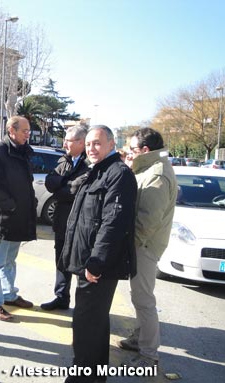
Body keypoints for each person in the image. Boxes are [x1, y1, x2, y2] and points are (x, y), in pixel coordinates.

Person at [60, 125, 137, 383]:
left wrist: (96, 262)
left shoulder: (119, 174)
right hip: (86, 261)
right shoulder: (97, 171)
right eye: (89, 143)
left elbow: (113, 223)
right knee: (95, 322)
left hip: (97, 266)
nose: (92, 148)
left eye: (97, 143)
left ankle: (81, 375)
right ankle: (94, 374)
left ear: (112, 143)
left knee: (85, 323)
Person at [117, 127, 177, 368]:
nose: (129, 153)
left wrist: (130, 246)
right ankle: (140, 338)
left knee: (143, 299)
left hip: (145, 245)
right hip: (142, 243)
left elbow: (147, 221)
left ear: (145, 150)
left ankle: (148, 355)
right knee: (139, 296)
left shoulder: (157, 174)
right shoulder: (149, 168)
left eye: (132, 150)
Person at [0, 116, 37, 322]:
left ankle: (9, 294)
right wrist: (11, 205)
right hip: (4, 219)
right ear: (11, 130)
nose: (27, 134)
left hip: (18, 219)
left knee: (10, 261)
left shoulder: (22, 151)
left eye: (28, 131)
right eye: (24, 130)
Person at [40, 125, 89, 311]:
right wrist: (64, 183)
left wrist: (61, 186)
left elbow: (75, 190)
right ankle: (61, 297)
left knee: (78, 263)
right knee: (61, 261)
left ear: (80, 142)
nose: (65, 144)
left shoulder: (89, 163)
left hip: (79, 223)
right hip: (62, 221)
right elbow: (49, 181)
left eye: (68, 141)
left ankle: (83, 305)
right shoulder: (65, 160)